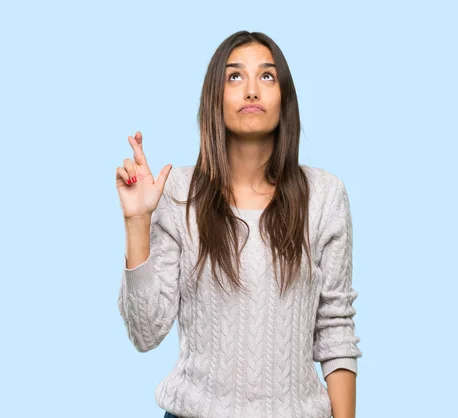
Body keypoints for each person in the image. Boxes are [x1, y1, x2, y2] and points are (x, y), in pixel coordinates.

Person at [116, 30, 362, 418]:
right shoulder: (178, 192)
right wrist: (137, 221)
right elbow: (145, 333)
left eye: (266, 76)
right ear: (215, 98)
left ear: (285, 98)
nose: (251, 90)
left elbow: (335, 329)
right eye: (235, 76)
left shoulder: (325, 195)